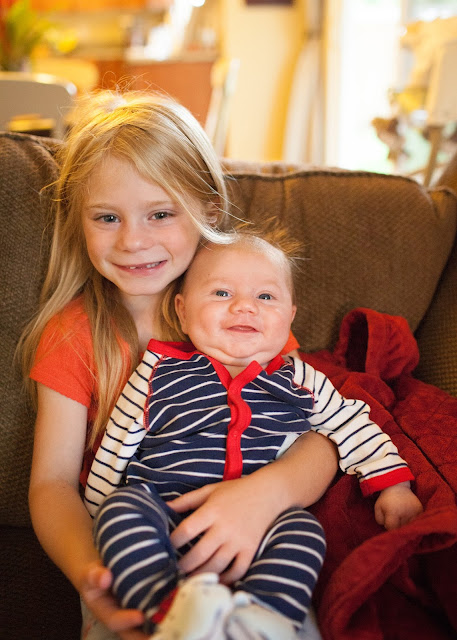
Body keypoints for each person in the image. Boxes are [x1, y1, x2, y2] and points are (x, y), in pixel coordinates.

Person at [19, 90, 339, 640]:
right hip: (136, 558)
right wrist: (91, 577)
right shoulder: (75, 335)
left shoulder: (242, 312)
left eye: (161, 214)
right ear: (79, 221)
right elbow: (51, 483)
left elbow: (319, 433)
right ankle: (165, 612)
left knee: (303, 548)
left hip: (251, 548)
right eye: (107, 217)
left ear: (208, 211)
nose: (133, 240)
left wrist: (268, 493)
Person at [85, 233, 423, 640]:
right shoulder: (158, 371)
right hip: (165, 513)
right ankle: (165, 609)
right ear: (182, 310)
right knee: (121, 507)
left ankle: (263, 617)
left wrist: (394, 485)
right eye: (222, 292)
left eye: (265, 297)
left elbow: (352, 424)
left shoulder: (301, 379)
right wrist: (98, 515)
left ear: (290, 317)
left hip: (260, 527)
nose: (245, 306)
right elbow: (117, 444)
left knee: (303, 531)